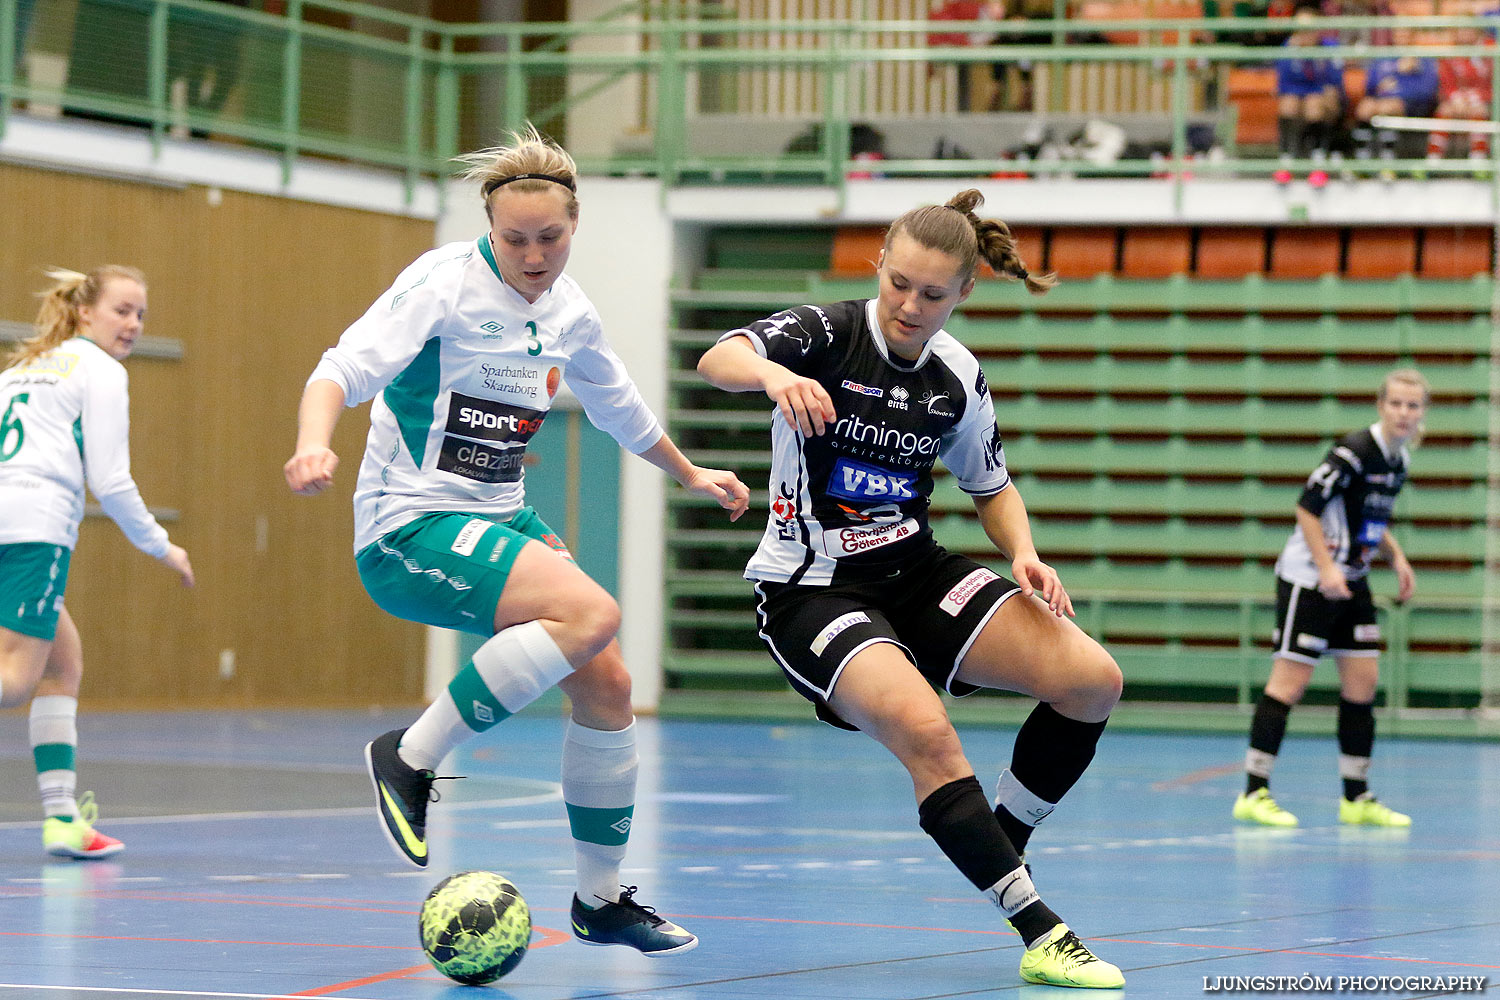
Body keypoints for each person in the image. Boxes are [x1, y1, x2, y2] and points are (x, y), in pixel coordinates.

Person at [283, 125, 749, 957]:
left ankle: (601, 900)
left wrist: (690, 474)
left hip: (499, 517)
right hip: (408, 525)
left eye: (551, 238)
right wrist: (313, 440)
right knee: (592, 612)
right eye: (515, 239)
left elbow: (620, 408)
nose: (534, 256)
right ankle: (410, 755)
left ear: (574, 225)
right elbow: (341, 367)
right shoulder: (443, 283)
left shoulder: (570, 313)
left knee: (607, 683)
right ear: (490, 229)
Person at [695, 190, 1125, 990]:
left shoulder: (957, 374)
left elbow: (990, 486)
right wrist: (769, 375)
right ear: (880, 263)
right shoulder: (826, 334)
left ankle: (1000, 840)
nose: (908, 305)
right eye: (898, 283)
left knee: (1093, 680)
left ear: (963, 293)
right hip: (811, 588)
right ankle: (1039, 927)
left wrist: (1024, 552)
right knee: (928, 735)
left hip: (916, 569)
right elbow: (718, 358)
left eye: (932, 294)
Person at [0, 266, 195, 859]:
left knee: (63, 663)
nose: (133, 324)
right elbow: (109, 479)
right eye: (122, 310)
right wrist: (161, 544)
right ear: (85, 312)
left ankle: (61, 817)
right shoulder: (99, 371)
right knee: (14, 682)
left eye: (141, 314)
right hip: (32, 531)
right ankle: (60, 819)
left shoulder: (22, 368)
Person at [1233, 369, 1428, 830]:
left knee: (1363, 680)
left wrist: (1397, 558)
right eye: (1396, 403)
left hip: (1352, 579)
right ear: (1381, 405)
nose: (1404, 412)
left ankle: (1356, 796)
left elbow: (1370, 523)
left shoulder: (1397, 462)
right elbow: (1307, 507)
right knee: (1290, 683)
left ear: (1422, 414)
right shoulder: (1354, 452)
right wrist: (1325, 569)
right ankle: (1253, 792)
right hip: (1310, 578)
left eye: (1413, 405)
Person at [1273, 7, 1344, 185]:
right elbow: (1283, 85)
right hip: (1298, 95)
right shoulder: (1288, 48)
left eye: (1309, 28)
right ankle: (1286, 157)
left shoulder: (1330, 47)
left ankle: (1317, 158)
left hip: (1324, 99)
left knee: (1314, 103)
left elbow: (1334, 82)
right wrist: (1295, 53)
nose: (1305, 33)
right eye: (1301, 29)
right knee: (1288, 103)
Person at [1352, 36, 1440, 173]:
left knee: (1390, 107)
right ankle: (1362, 159)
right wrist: (1391, 74)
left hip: (1412, 104)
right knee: (1365, 107)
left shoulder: (1423, 60)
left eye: (1405, 31)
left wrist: (1411, 73)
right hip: (1380, 100)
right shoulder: (1384, 56)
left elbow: (1428, 91)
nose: (1401, 35)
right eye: (1399, 30)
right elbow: (1370, 87)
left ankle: (1388, 160)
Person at [1428, 25, 1493, 162]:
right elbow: (1445, 81)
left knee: (1478, 110)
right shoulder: (1451, 52)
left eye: (1468, 28)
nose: (1465, 33)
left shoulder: (1490, 49)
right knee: (1445, 109)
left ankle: (1478, 160)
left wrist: (1474, 97)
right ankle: (1433, 159)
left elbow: (1492, 82)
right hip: (1457, 101)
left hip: (1484, 100)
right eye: (1461, 29)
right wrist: (1456, 98)